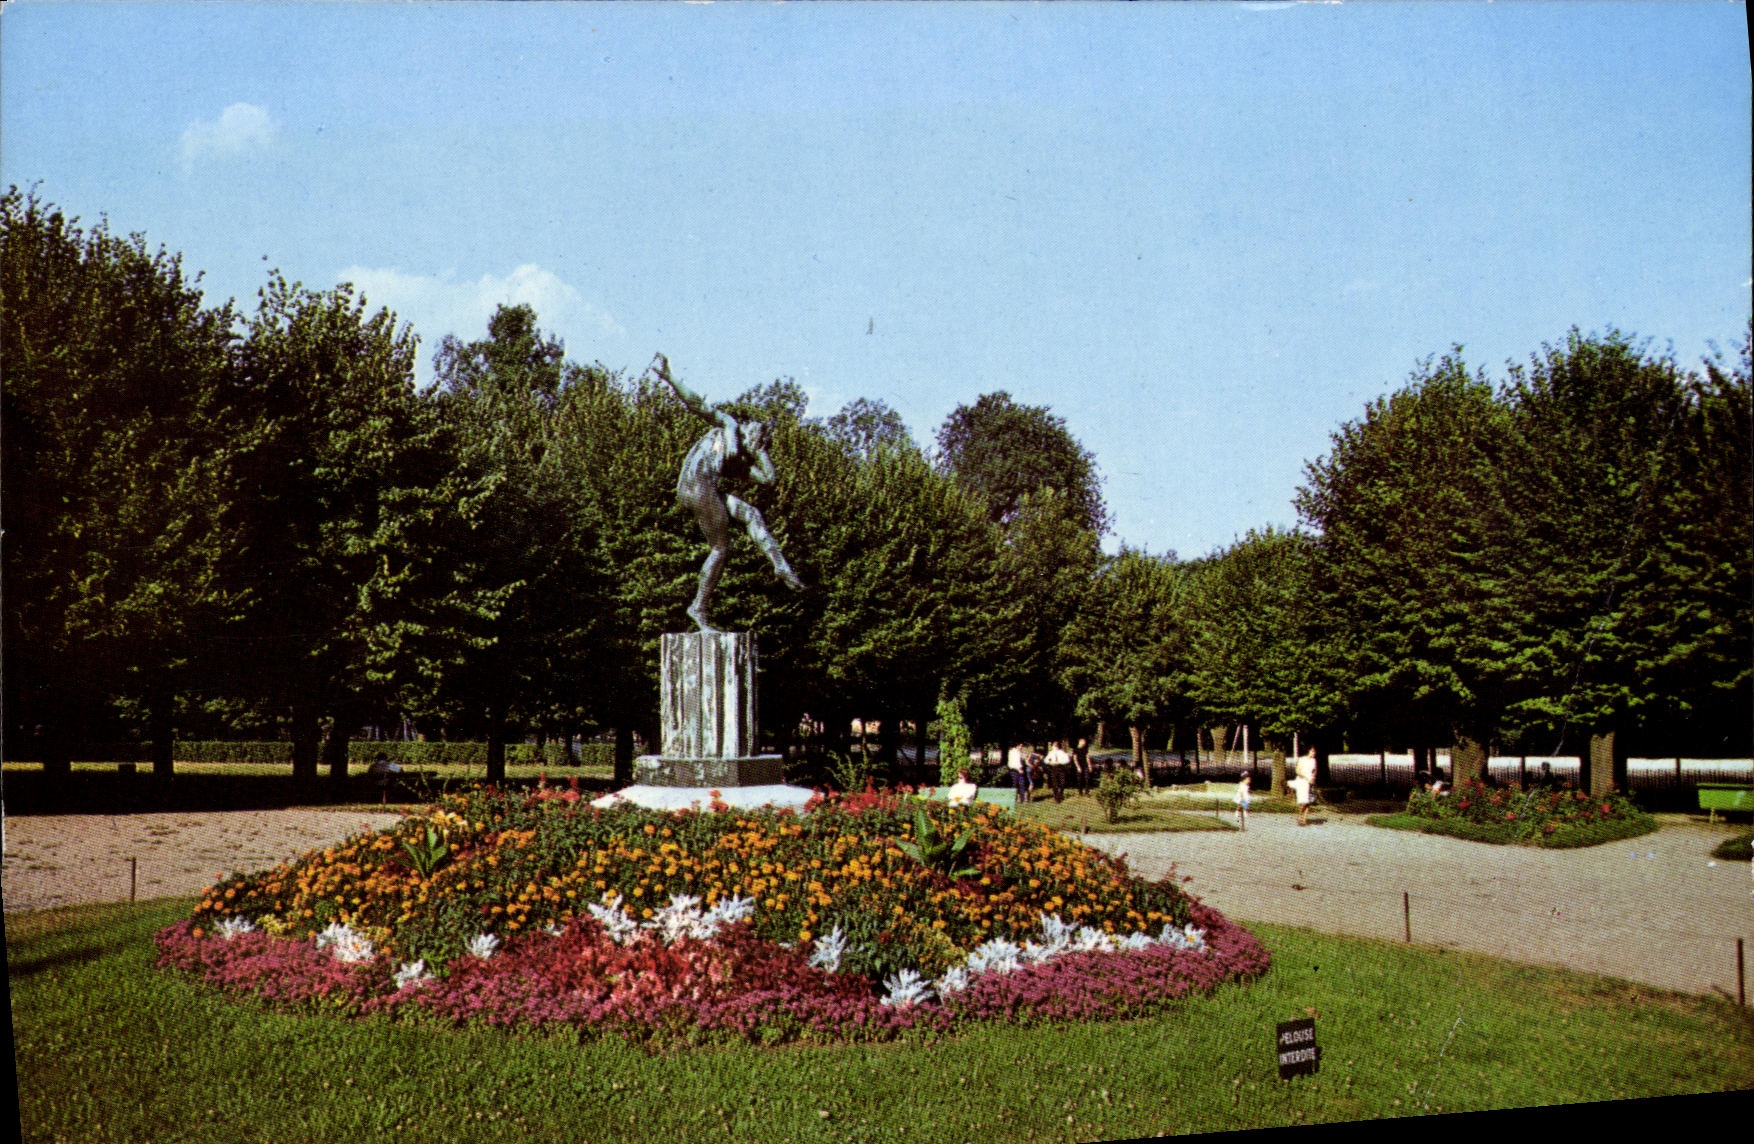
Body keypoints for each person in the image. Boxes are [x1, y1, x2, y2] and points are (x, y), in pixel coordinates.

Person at [651, 353, 805, 632]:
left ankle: (779, 565)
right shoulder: (726, 424)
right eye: (754, 431)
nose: (755, 431)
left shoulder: (736, 462)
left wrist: (761, 453)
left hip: (703, 488)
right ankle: (697, 607)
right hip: (697, 484)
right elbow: (696, 403)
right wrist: (670, 377)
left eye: (759, 438)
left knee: (751, 513)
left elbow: (769, 479)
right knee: (721, 548)